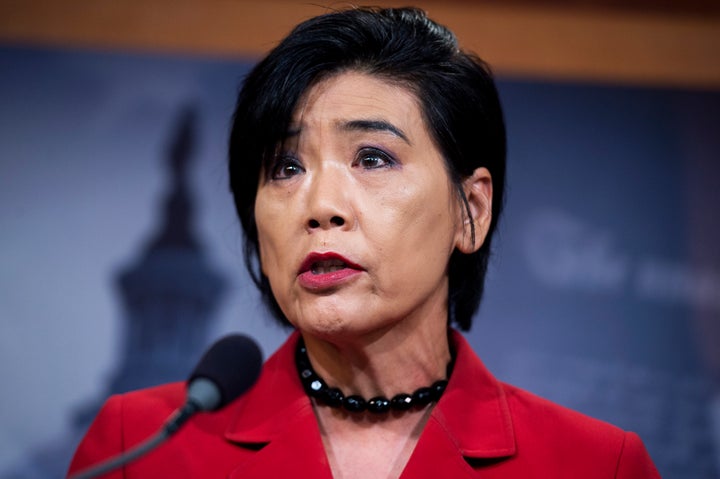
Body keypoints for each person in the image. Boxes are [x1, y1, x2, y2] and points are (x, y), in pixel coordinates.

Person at [68, 6, 660, 478]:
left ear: (470, 212)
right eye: (285, 167)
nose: (320, 206)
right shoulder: (138, 449)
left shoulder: (595, 465)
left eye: (372, 158)